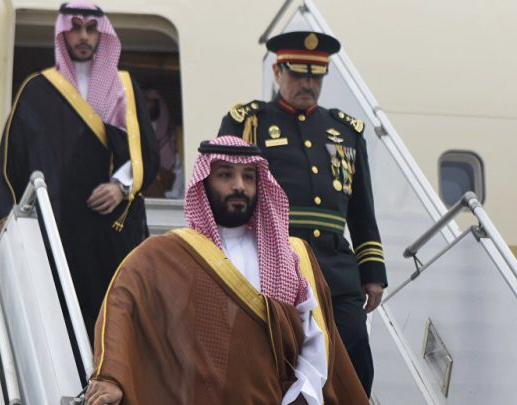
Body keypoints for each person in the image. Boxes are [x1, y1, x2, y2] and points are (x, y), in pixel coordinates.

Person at [85, 136, 368, 405]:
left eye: (248, 176)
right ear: (204, 182)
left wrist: (302, 393)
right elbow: (122, 304)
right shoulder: (170, 253)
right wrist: (111, 377)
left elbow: (314, 337)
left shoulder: (292, 255)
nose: (239, 186)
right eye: (225, 175)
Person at [217, 31, 387, 396]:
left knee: (354, 347)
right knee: (280, 356)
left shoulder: (345, 131)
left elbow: (361, 209)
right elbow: (224, 191)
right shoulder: (250, 123)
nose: (308, 84)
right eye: (298, 74)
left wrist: (373, 272)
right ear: (278, 72)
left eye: (316, 76)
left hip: (335, 266)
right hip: (275, 259)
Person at [0, 1, 159, 346]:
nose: (83, 36)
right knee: (59, 318)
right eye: (75, 28)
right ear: (62, 32)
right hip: (58, 227)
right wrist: (4, 216)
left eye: (91, 29)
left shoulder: (123, 87)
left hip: (109, 228)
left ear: (102, 34)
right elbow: (11, 159)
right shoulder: (37, 89)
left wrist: (120, 186)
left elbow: (146, 154)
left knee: (116, 318)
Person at [141, 88, 184, 199]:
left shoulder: (173, 136)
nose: (146, 105)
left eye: (149, 101)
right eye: (144, 101)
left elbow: (180, 169)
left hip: (170, 191)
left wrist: (174, 194)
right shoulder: (138, 132)